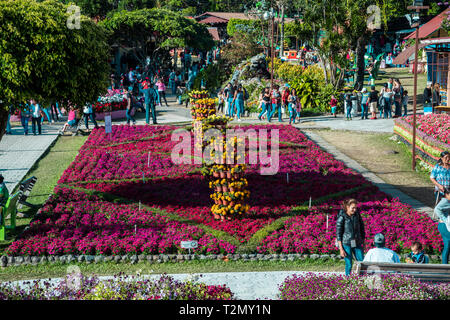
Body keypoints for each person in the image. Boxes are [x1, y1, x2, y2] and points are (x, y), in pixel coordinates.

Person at [336, 198, 366, 276]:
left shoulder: (357, 215)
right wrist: (341, 249)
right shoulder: (342, 217)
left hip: (357, 242)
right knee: (349, 263)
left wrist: (363, 240)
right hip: (346, 243)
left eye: (356, 207)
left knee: (361, 261)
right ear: (347, 207)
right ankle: (348, 279)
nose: (355, 209)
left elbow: (362, 227)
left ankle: (362, 278)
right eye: (353, 208)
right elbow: (338, 234)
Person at [434, 187, 450, 264]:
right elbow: (436, 209)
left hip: (443, 226)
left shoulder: (447, 200)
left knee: (447, 247)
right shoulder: (445, 201)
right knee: (447, 246)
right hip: (445, 226)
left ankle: (445, 266)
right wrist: (444, 218)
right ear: (446, 194)